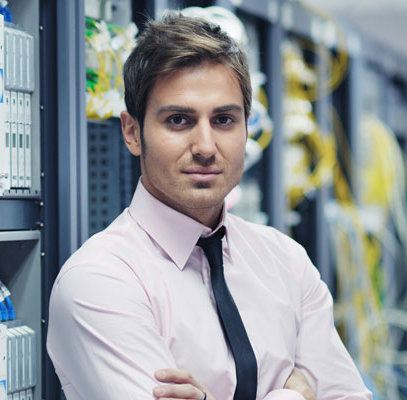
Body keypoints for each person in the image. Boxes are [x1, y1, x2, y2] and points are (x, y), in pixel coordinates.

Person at [46, 13, 372, 400]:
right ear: (132, 132)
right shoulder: (100, 282)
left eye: (223, 120)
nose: (205, 146)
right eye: (179, 120)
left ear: (247, 128)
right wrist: (295, 395)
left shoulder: (286, 262)